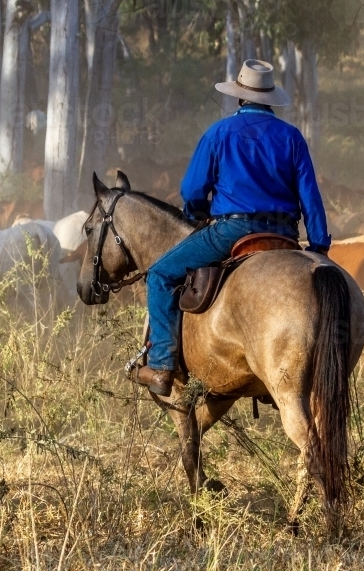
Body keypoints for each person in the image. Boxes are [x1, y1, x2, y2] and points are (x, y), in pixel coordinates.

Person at [136, 59, 331, 397]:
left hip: (231, 231)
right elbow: (311, 197)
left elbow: (192, 190)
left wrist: (196, 211)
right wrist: (318, 246)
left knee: (160, 274)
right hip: (283, 237)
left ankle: (162, 365)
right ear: (270, 99)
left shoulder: (219, 132)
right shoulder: (292, 137)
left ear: (239, 97)